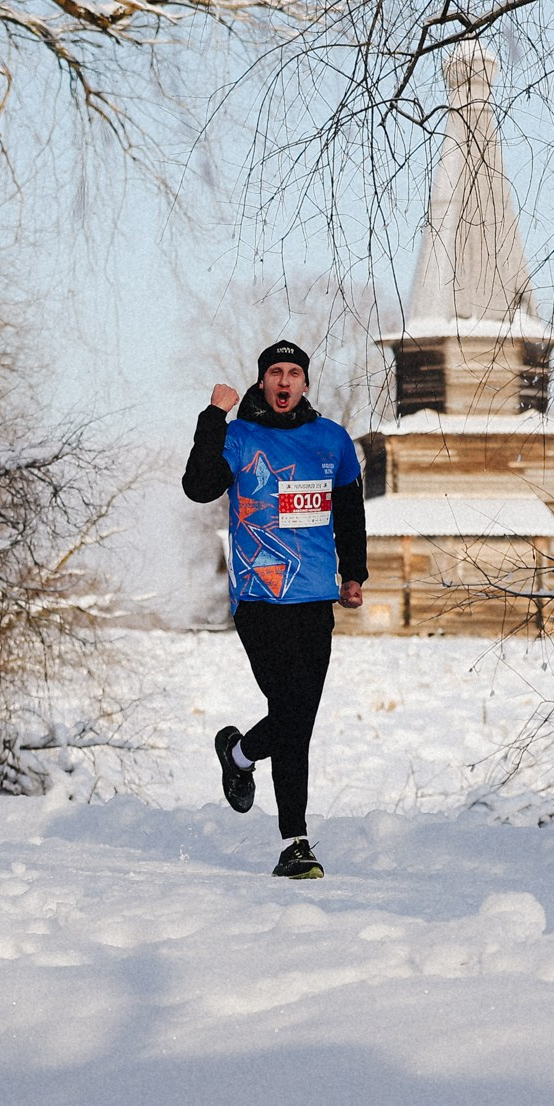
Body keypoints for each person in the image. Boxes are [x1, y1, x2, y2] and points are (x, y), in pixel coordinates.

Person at [181, 340, 366, 879]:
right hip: (259, 599)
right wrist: (214, 415)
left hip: (314, 600)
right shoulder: (238, 436)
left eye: (294, 373)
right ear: (262, 382)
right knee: (291, 711)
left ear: (305, 383)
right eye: (275, 373)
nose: (284, 382)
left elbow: (350, 514)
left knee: (296, 718)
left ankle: (239, 756)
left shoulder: (330, 439)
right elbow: (198, 487)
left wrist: (353, 574)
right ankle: (295, 843)